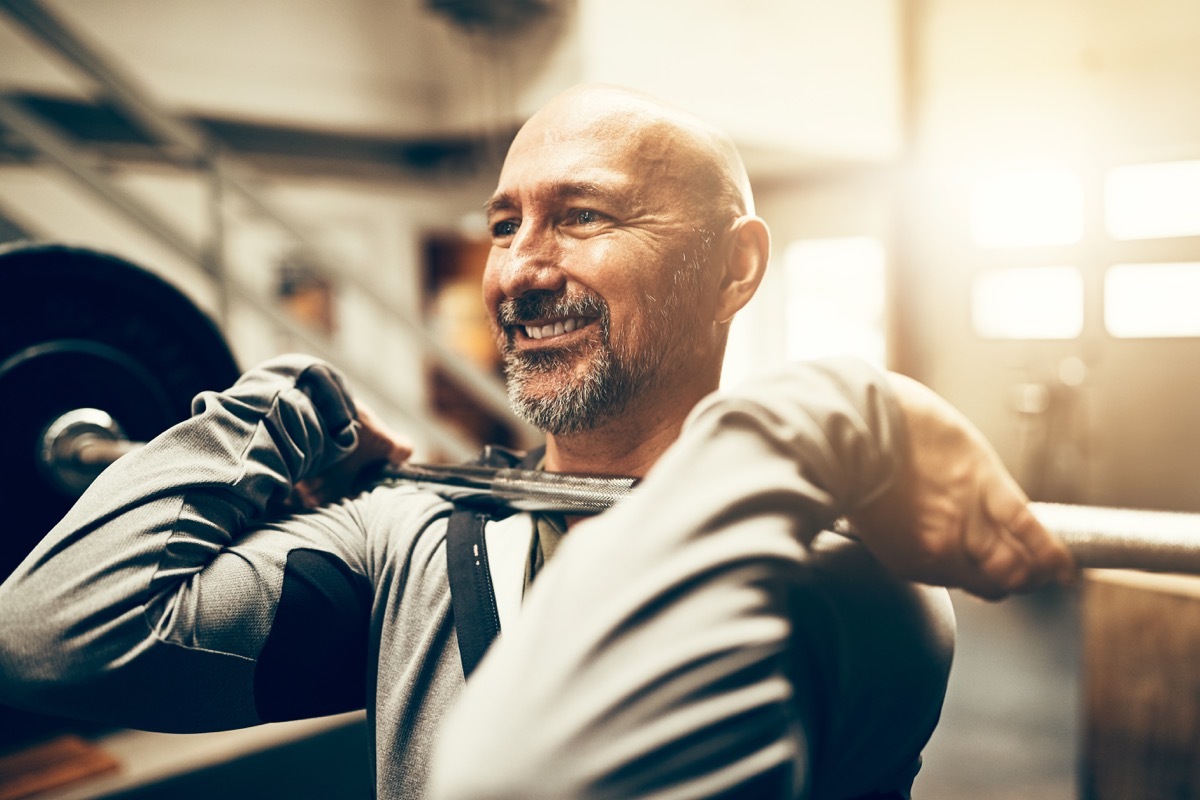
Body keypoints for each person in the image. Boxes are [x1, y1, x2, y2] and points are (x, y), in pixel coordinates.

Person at [0, 84, 1074, 799]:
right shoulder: (410, 535)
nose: (519, 268)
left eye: (585, 217)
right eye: (505, 222)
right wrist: (279, 410)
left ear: (735, 270)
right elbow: (49, 635)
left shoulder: (840, 574)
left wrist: (796, 415)